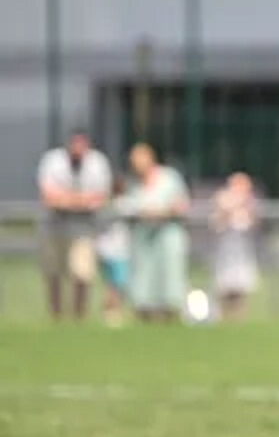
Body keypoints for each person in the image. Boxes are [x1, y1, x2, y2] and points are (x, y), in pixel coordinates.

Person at [36, 129, 113, 321]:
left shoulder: (97, 163)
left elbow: (100, 197)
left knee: (82, 273)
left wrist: (67, 200)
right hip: (54, 226)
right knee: (53, 272)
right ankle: (56, 316)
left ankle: (79, 316)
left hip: (83, 228)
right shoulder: (53, 161)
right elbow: (49, 196)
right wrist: (79, 200)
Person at [121, 143, 192, 324]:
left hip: (168, 235)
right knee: (144, 279)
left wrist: (162, 212)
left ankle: (171, 315)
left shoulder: (170, 177)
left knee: (170, 277)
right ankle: (145, 316)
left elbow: (182, 204)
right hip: (144, 238)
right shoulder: (133, 184)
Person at [208, 171, 261, 321]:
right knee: (223, 291)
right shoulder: (222, 201)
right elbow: (216, 224)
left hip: (242, 256)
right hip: (225, 256)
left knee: (241, 293)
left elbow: (254, 224)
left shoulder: (249, 205)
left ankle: (238, 321)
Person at [95, 175, 133, 327]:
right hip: (118, 252)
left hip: (105, 251)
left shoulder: (104, 205)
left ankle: (111, 313)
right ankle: (112, 314)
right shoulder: (124, 205)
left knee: (111, 284)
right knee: (116, 285)